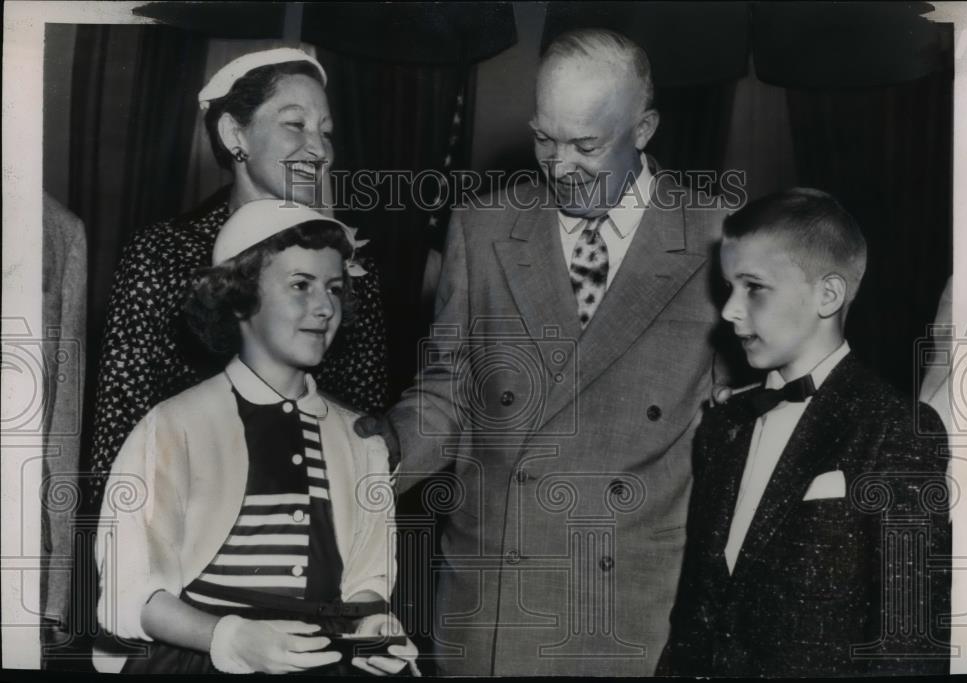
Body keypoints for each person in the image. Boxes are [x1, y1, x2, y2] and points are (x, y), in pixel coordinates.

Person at [363, 29, 730, 676]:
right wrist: (371, 456)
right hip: (496, 608)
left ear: (644, 128)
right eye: (544, 139)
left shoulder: (718, 237)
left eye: (587, 145)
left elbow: (740, 438)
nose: (560, 166)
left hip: (635, 617)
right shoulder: (483, 227)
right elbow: (447, 393)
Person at [95, 200, 418, 675]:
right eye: (300, 286)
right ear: (239, 297)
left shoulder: (360, 439)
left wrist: (372, 629)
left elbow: (366, 585)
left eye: (333, 287)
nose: (325, 306)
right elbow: (132, 595)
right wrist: (229, 637)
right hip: (197, 660)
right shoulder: (171, 428)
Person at [659, 188, 952, 676]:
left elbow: (910, 641)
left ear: (829, 295)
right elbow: (694, 615)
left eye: (753, 287)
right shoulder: (723, 425)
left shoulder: (897, 429)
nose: (729, 310)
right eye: (728, 287)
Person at [87, 47, 389, 509]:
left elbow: (362, 421)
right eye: (296, 124)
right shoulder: (163, 253)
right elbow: (119, 426)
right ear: (234, 134)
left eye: (326, 131)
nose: (319, 148)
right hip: (181, 519)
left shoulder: (348, 263)